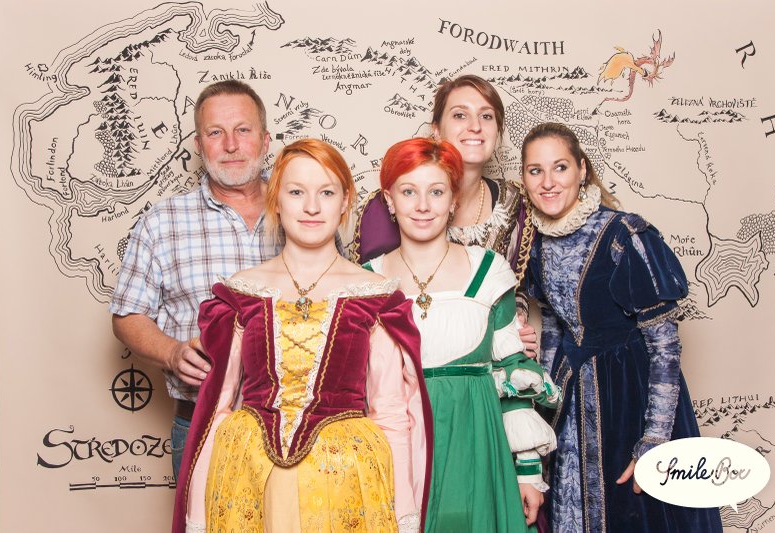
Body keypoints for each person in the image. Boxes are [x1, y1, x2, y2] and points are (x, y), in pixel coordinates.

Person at [172, 139, 432, 533]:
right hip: (248, 475)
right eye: (296, 192)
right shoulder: (242, 292)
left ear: (345, 201)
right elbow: (216, 409)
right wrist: (198, 518)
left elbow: (392, 413)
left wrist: (403, 517)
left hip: (345, 479)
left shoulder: (375, 295)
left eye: (326, 193)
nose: (312, 207)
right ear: (276, 200)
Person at [520, 122, 723, 532]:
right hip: (571, 399)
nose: (548, 182)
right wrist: (544, 405)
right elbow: (556, 328)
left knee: (636, 509)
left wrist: (654, 441)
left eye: (560, 167)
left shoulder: (623, 233)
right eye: (535, 170)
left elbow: (664, 345)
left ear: (581, 169)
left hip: (629, 396)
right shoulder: (535, 242)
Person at [363, 138, 559, 532]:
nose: (423, 205)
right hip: (398, 449)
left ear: (453, 200)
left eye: (436, 192)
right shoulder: (365, 282)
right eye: (408, 191)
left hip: (478, 444)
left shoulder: (488, 271)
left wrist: (527, 472)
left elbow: (511, 372)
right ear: (389, 200)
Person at [110, 80, 281, 478]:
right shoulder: (161, 222)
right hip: (202, 424)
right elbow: (126, 316)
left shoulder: (306, 213)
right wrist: (171, 352)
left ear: (265, 140)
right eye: (215, 133)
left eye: (243, 130)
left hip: (293, 424)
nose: (231, 145)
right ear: (199, 145)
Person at [351, 74, 537, 352]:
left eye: (486, 116)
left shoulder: (513, 202)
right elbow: (368, 300)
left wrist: (515, 324)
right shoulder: (385, 208)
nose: (475, 126)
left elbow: (515, 288)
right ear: (436, 130)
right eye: (460, 115)